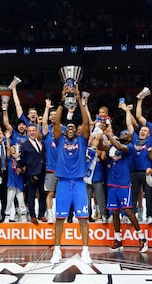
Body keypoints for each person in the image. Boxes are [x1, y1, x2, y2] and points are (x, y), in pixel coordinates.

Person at [50, 84, 92, 264]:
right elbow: (56, 122)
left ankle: (86, 250)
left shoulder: (82, 140)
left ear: (78, 131)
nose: (71, 128)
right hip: (64, 183)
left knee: (83, 218)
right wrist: (62, 100)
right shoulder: (59, 140)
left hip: (79, 183)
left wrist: (80, 100)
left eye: (74, 127)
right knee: (60, 218)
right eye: (68, 127)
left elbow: (86, 122)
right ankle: (57, 250)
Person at [99, 126, 148, 252]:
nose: (126, 134)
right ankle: (118, 240)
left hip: (124, 184)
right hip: (112, 184)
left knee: (127, 210)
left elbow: (120, 147)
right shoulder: (112, 147)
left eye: (128, 133)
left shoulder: (130, 147)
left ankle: (142, 238)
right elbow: (101, 147)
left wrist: (108, 135)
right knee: (114, 212)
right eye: (124, 133)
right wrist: (100, 135)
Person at [19, 124, 47, 224]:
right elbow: (22, 159)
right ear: (27, 132)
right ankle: (32, 215)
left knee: (42, 194)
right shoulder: (25, 145)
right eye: (30, 131)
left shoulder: (40, 143)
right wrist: (20, 167)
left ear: (36, 132)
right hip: (31, 173)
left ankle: (41, 214)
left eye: (33, 130)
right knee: (31, 195)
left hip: (42, 172)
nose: (32, 132)